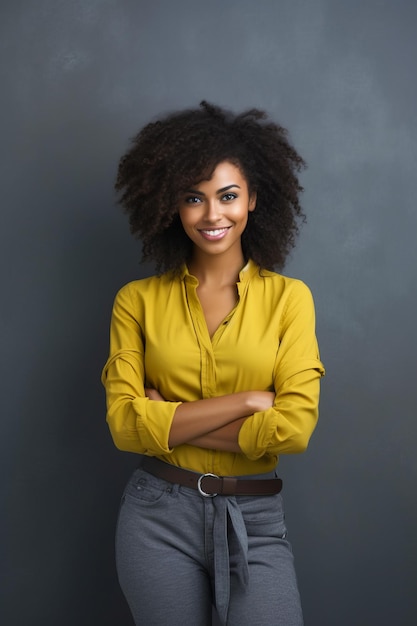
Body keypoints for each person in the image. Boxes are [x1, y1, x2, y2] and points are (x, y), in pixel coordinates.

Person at [101, 101, 325, 626]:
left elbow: (293, 430)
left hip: (255, 516)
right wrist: (247, 402)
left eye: (227, 196)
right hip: (157, 516)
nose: (211, 215)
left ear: (253, 198)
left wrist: (171, 421)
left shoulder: (290, 299)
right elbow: (124, 426)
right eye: (193, 198)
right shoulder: (136, 301)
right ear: (171, 206)